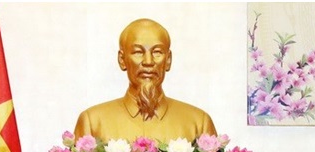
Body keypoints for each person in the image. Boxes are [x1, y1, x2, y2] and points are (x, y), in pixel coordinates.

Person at [73, 18, 217, 143]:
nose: (148, 62)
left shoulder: (198, 123)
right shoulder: (93, 122)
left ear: (168, 60)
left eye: (157, 52)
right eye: (138, 52)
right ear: (122, 60)